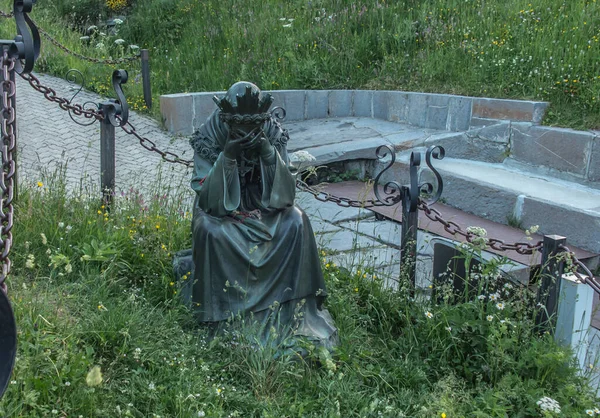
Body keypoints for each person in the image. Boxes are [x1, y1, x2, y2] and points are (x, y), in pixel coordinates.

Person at [188, 81, 337, 350]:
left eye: (252, 128)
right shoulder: (210, 134)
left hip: (264, 207)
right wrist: (229, 156)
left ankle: (295, 308)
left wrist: (268, 152)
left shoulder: (271, 130)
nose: (246, 134)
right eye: (239, 128)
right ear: (226, 119)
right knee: (210, 232)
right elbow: (207, 198)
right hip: (222, 212)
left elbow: (286, 195)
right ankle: (224, 319)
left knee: (296, 221)